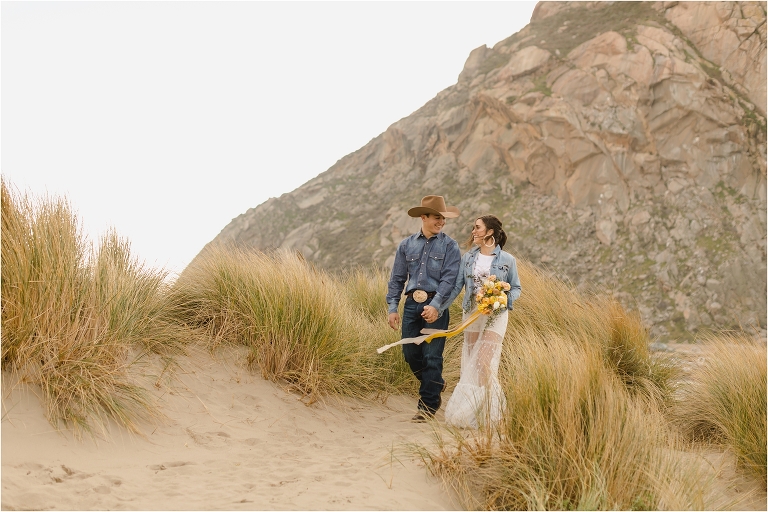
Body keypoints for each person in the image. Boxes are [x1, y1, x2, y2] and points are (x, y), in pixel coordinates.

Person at [386, 195, 461, 422]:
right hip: (410, 305)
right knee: (410, 354)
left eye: (443, 218)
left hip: (435, 306)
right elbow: (397, 279)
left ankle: (427, 407)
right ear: (423, 217)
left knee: (431, 357)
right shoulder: (406, 245)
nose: (441, 222)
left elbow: (449, 280)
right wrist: (392, 307)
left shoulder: (450, 246)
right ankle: (435, 383)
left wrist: (436, 306)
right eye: (437, 217)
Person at [444, 214, 521, 429]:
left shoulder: (507, 260)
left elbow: (516, 288)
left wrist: (503, 299)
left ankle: (493, 414)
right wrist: (438, 307)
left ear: (489, 232)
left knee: (485, 363)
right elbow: (458, 287)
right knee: (472, 363)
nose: (473, 231)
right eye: (473, 228)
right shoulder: (468, 258)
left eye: (477, 228)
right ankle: (475, 414)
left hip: (496, 316)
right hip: (472, 315)